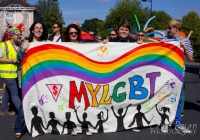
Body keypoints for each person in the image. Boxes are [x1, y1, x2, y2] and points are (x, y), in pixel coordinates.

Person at [14, 20, 47, 139]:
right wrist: (23, 49)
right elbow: (18, 58)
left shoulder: (45, 43)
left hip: (42, 78)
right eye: (36, 27)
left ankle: (40, 126)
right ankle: (19, 128)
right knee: (26, 101)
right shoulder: (25, 42)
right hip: (28, 77)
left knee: (41, 101)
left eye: (41, 28)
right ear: (32, 30)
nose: (38, 30)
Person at [162, 19, 193, 134]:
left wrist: (184, 47)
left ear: (176, 28)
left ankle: (178, 123)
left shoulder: (185, 40)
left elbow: (191, 58)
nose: (168, 30)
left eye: (170, 28)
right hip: (165, 74)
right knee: (164, 98)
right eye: (168, 27)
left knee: (178, 99)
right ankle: (164, 122)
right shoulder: (165, 40)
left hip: (179, 74)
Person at [0, 25, 25, 116]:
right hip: (7, 74)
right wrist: (11, 60)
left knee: (8, 91)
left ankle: (3, 109)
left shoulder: (17, 46)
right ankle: (22, 112)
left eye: (20, 34)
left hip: (13, 74)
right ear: (11, 35)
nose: (19, 36)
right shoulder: (3, 45)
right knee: (14, 93)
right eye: (17, 34)